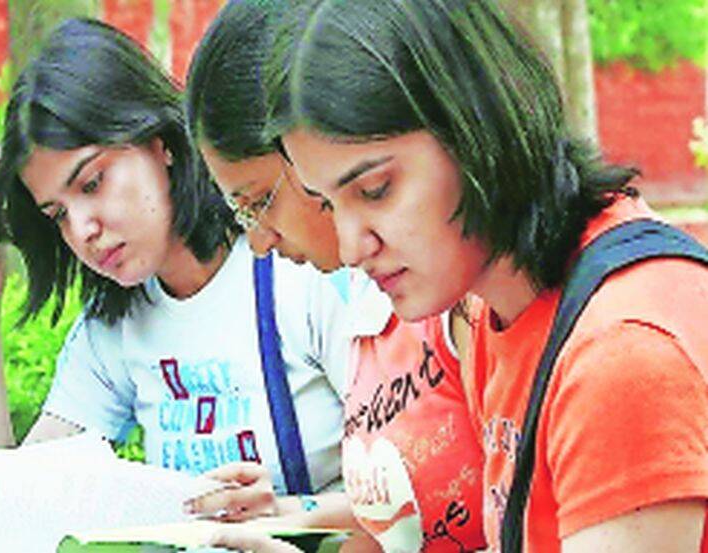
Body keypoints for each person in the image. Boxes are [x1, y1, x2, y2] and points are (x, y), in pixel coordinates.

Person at [256, 0, 708, 551]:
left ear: (473, 126)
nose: (352, 247)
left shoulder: (618, 353)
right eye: (328, 205)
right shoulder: (495, 307)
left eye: (375, 191)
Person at [0, 17, 352, 521]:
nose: (82, 229)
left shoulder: (298, 265)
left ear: (158, 142)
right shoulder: (116, 327)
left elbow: (417, 486)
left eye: (92, 183)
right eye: (57, 215)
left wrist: (289, 512)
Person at [187, 2, 486, 551]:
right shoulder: (369, 298)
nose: (260, 242)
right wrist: (292, 514)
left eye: (259, 203)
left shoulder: (462, 294)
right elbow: (419, 507)